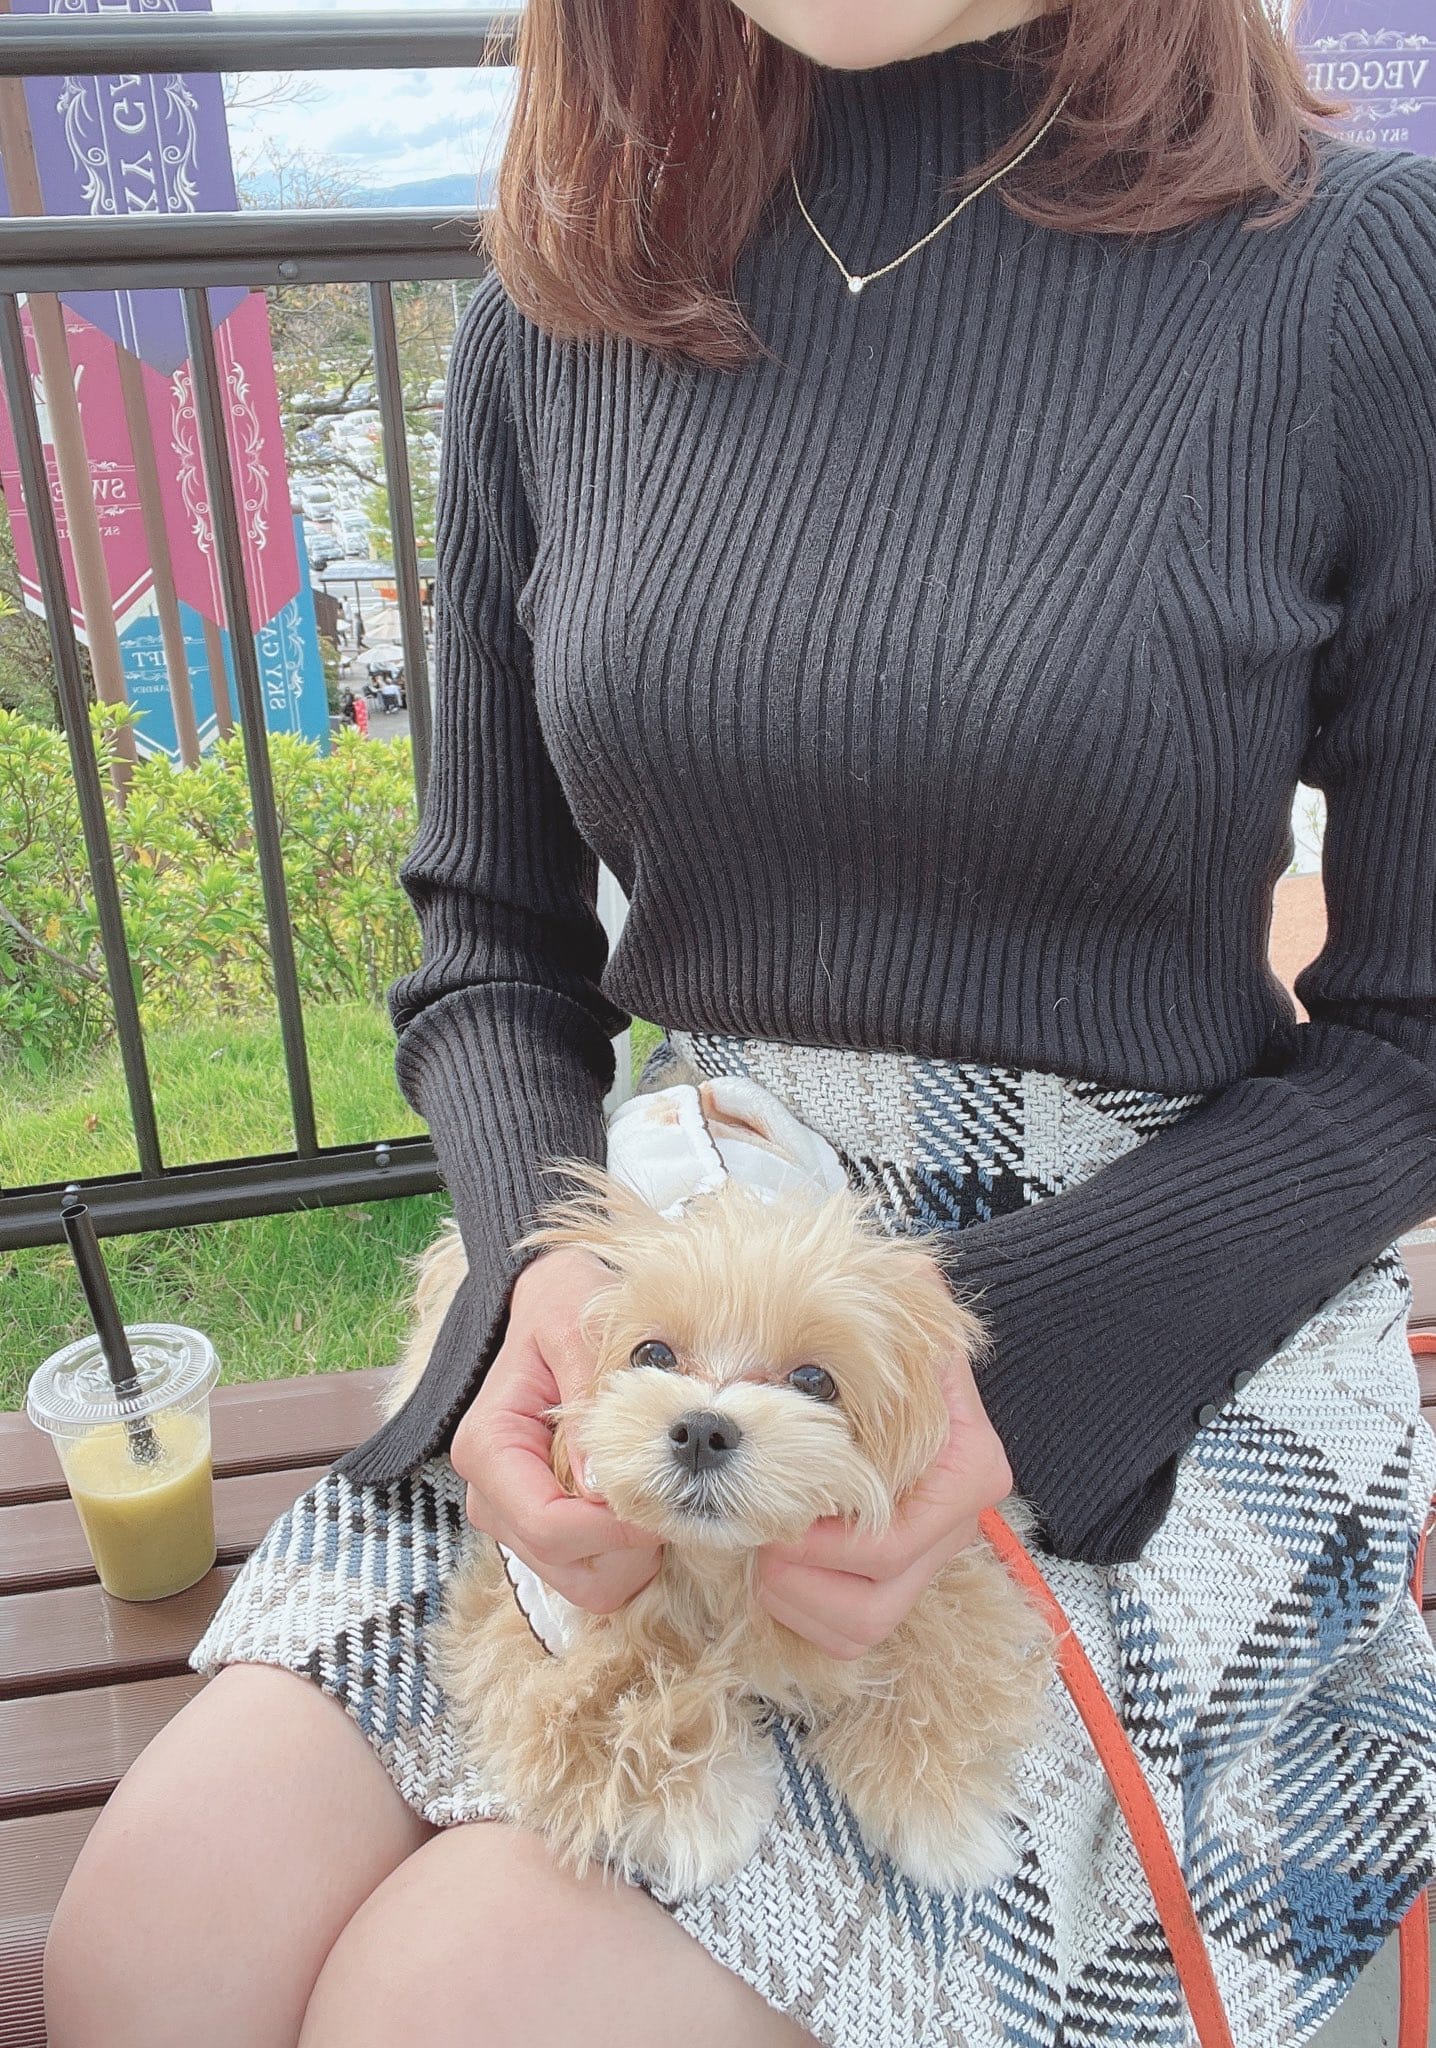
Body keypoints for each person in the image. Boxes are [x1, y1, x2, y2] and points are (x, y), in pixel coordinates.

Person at [45, 3, 1436, 2045]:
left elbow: (1411, 1035)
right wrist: (545, 1280)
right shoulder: (568, 300)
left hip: (1138, 1320)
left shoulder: (1351, 280)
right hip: (666, 1274)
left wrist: (998, 1363)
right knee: (157, 1941)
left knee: (459, 2002)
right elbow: (490, 935)